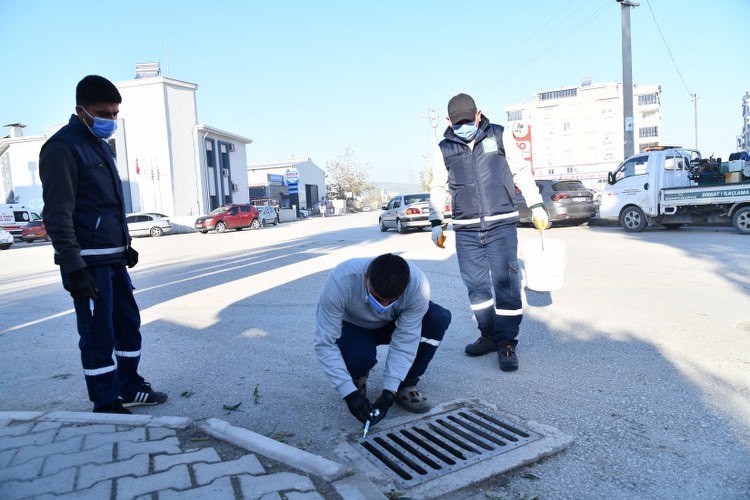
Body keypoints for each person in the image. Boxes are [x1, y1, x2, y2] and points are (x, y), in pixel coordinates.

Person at [39, 75, 167, 414]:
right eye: (102, 113)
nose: (109, 120)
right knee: (99, 334)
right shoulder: (62, 149)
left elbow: (108, 205)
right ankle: (106, 401)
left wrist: (125, 244)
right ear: (80, 110)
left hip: (112, 259)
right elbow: (57, 214)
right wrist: (73, 265)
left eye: (114, 114)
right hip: (88, 263)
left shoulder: (98, 147)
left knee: (128, 325)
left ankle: (129, 385)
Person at [428, 93, 549, 372]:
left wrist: (536, 204)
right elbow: (438, 186)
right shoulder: (444, 148)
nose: (464, 126)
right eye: (458, 123)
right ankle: (489, 334)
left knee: (506, 284)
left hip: (502, 224)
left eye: (468, 121)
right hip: (467, 229)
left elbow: (520, 170)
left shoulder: (499, 135)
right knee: (476, 287)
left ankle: (507, 342)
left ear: (479, 114)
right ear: (448, 121)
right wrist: (437, 222)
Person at [314, 253, 451, 426]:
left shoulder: (417, 286)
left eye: (391, 301)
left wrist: (389, 392)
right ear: (366, 278)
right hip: (355, 326)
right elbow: (326, 342)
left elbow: (405, 340)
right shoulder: (340, 281)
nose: (383, 306)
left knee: (437, 318)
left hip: (393, 325)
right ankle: (356, 378)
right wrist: (348, 392)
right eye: (378, 299)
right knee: (357, 358)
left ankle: (406, 384)